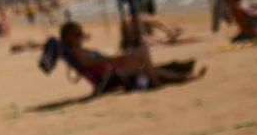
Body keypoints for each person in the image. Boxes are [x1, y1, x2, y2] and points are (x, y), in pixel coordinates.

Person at [55, 22, 200, 89]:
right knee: (142, 50)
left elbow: (94, 61)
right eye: (76, 34)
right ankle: (158, 81)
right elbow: (91, 64)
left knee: (145, 69)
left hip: (111, 72)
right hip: (110, 76)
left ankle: (185, 76)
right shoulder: (77, 52)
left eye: (80, 32)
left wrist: (116, 57)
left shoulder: (79, 49)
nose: (80, 36)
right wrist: (115, 59)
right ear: (67, 37)